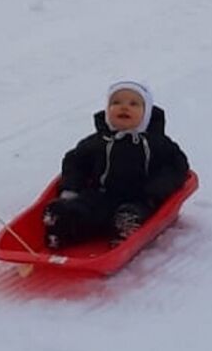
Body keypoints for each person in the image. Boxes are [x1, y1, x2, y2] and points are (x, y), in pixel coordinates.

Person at [42, 80, 189, 250]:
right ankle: (62, 226)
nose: (124, 107)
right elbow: (75, 162)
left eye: (133, 104)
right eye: (116, 102)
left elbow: (176, 167)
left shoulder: (157, 143)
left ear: (146, 113)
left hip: (139, 198)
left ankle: (126, 230)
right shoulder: (99, 141)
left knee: (134, 213)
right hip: (101, 195)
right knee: (84, 209)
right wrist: (71, 189)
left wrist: (155, 191)